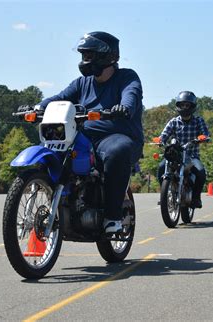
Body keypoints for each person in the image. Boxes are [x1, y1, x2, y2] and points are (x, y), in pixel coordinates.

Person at [37, 31, 144, 234]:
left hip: (116, 136)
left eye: (89, 56)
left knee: (117, 150)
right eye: (83, 56)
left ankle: (113, 217)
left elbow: (131, 93)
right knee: (53, 147)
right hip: (83, 137)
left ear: (108, 56)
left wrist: (125, 107)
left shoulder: (127, 77)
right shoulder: (82, 82)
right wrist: (38, 107)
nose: (84, 61)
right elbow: (60, 97)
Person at [157, 91, 210, 208]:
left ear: (192, 107)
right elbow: (164, 135)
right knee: (161, 168)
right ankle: (165, 195)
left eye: (187, 105)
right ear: (178, 106)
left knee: (201, 172)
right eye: (182, 105)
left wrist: (202, 138)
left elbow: (205, 134)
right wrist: (160, 141)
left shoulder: (198, 121)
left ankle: (196, 198)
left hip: (192, 155)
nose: (184, 107)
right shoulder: (174, 121)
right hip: (176, 154)